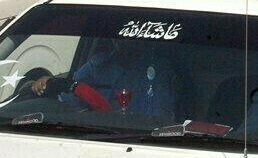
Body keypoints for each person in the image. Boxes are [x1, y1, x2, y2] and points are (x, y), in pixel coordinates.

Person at [30, 39, 178, 117]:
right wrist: (47, 83)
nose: (122, 40)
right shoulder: (97, 65)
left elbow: (161, 116)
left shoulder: (159, 69)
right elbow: (69, 94)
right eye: (118, 36)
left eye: (128, 37)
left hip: (146, 139)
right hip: (98, 133)